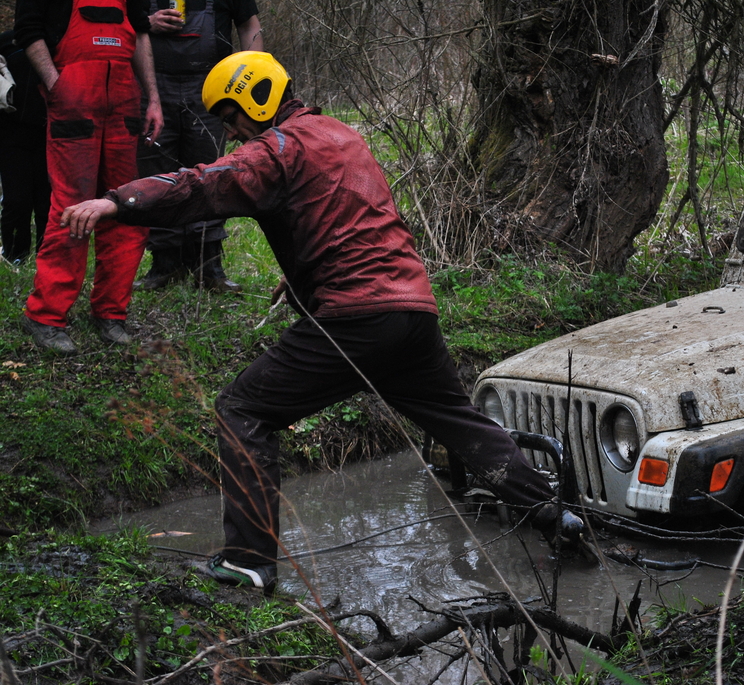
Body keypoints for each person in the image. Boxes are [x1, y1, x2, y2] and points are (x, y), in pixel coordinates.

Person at [61, 51, 584, 593]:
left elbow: (201, 185)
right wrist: (306, 275)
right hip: (412, 308)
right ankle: (553, 514)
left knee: (243, 409)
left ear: (253, 99)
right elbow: (353, 216)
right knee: (457, 419)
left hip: (356, 316)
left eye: (230, 115)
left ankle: (248, 560)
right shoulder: (341, 134)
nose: (232, 131)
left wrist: (118, 202)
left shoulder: (276, 150)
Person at [15, 0, 163, 354]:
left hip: (125, 102)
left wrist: (153, 99)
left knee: (125, 207)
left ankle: (111, 312)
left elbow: (141, 32)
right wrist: (57, 84)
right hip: (72, 99)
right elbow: (28, 31)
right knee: (72, 209)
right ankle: (45, 316)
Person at [133, 0, 263, 293]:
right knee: (157, 171)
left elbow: (249, 26)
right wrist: (147, 23)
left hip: (212, 87)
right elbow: (122, 26)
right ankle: (166, 264)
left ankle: (210, 267)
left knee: (211, 173)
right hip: (152, 85)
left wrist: (251, 76)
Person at [0, 30, 50, 265]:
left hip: (50, 132)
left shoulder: (60, 39)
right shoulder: (6, 41)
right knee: (15, 201)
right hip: (11, 133)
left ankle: (47, 258)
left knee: (46, 201)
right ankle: (13, 257)